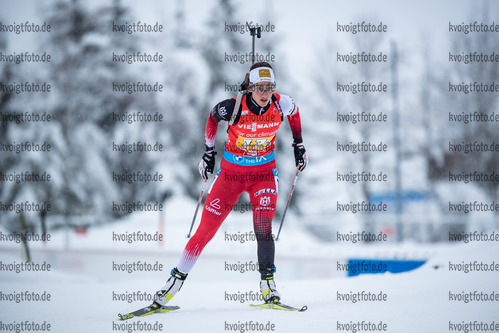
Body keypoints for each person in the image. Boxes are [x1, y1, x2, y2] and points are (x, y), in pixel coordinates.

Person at [153, 61, 308, 307]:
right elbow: (212, 118)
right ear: (250, 87)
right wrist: (208, 152)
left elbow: (296, 114)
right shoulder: (233, 107)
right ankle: (174, 283)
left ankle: (268, 285)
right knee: (205, 231)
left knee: (263, 227)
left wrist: (298, 145)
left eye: (270, 87)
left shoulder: (281, 103)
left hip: (264, 175)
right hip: (230, 176)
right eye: (260, 88)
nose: (265, 93)